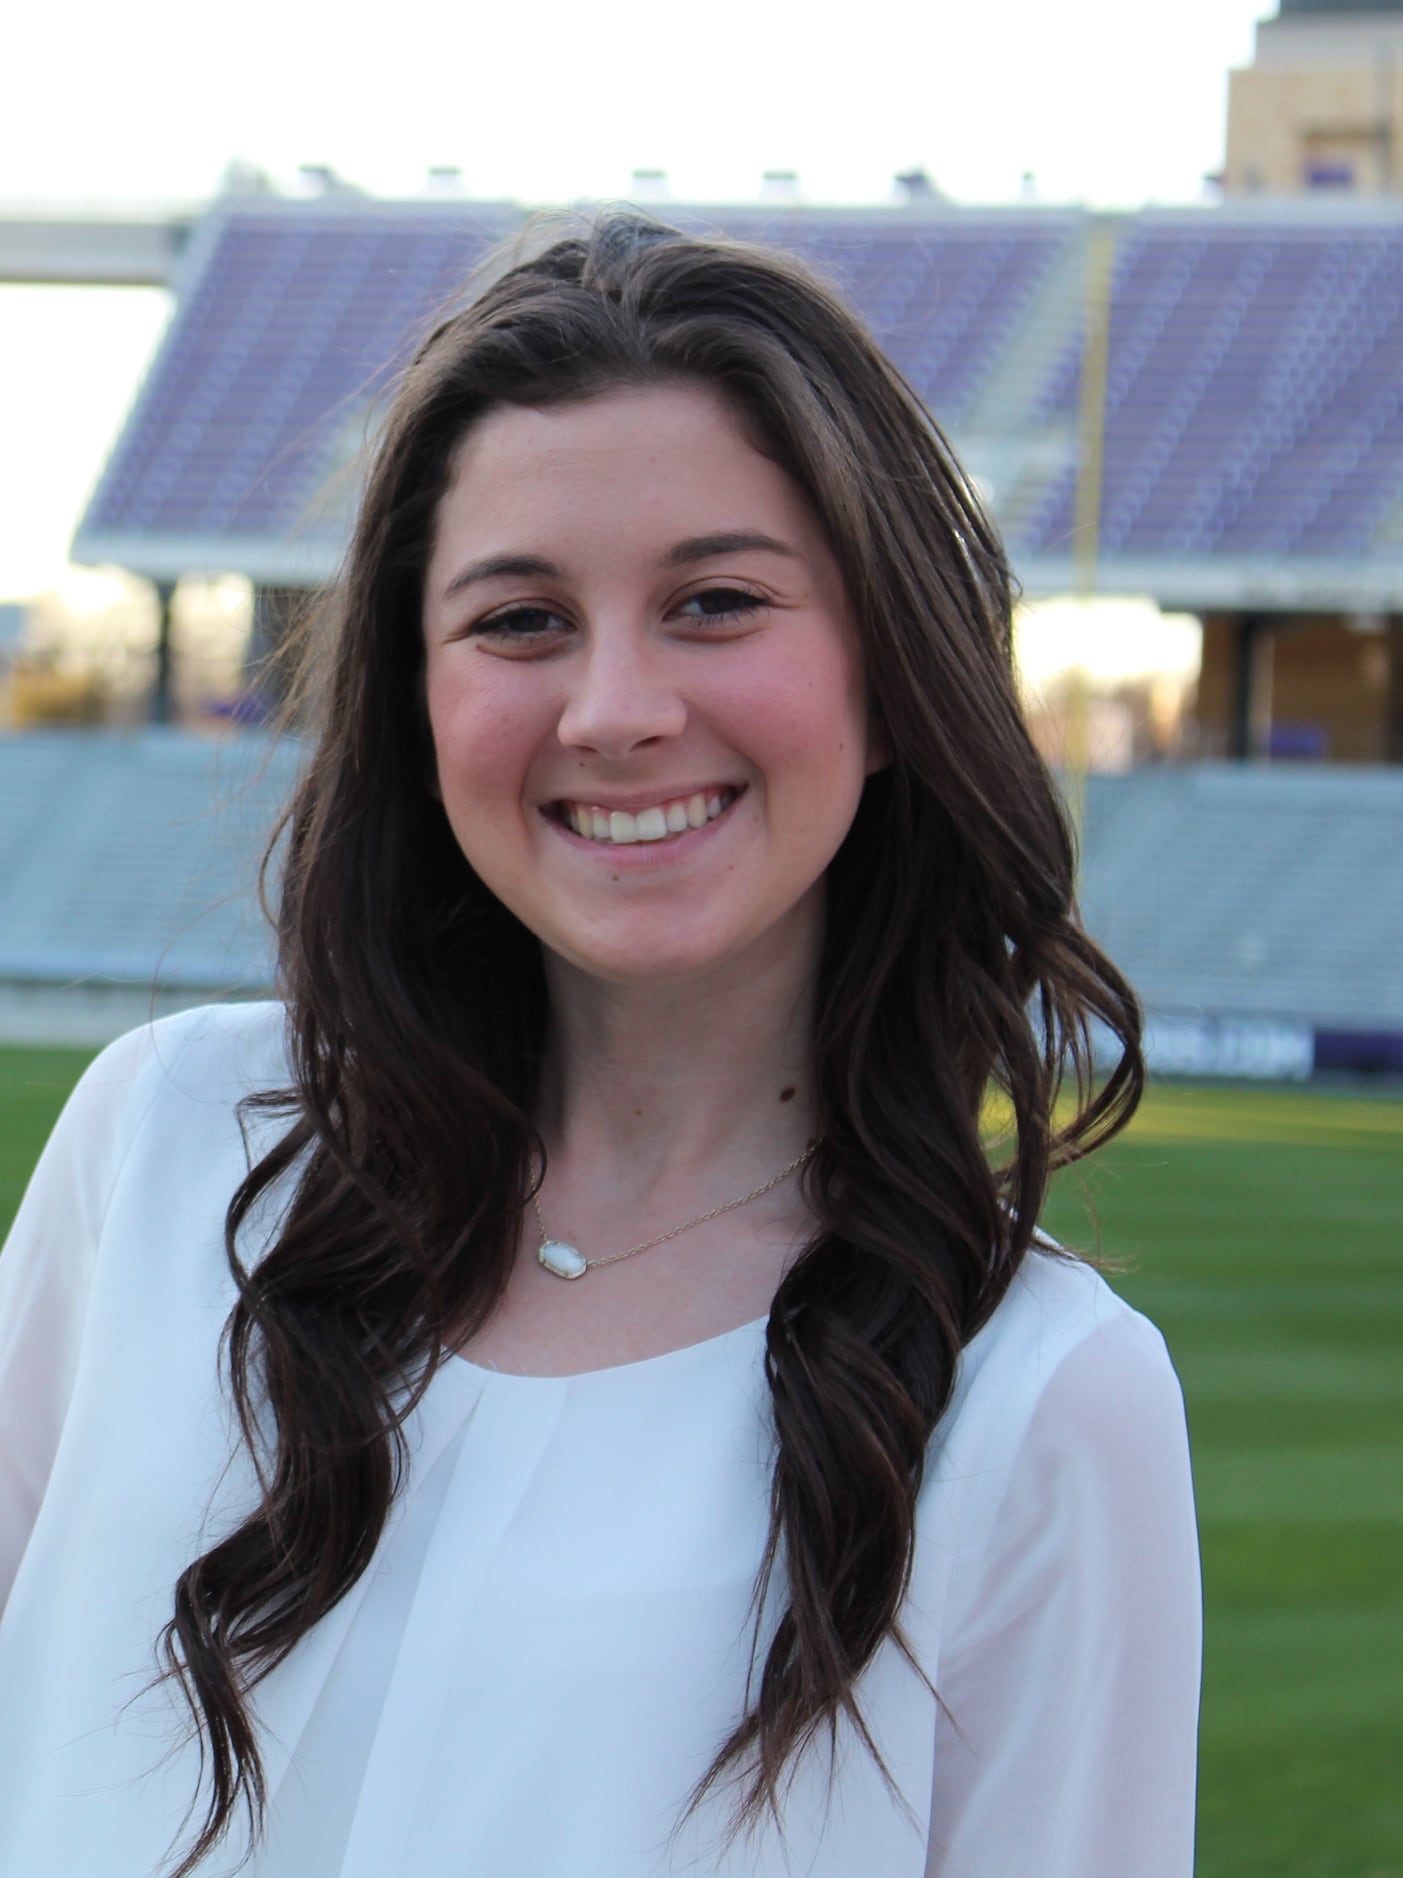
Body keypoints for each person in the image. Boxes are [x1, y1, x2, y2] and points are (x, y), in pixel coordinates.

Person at [0, 211, 1200, 1878]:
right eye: (520, 619)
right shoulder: (166, 1145)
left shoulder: (1040, 1398)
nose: (616, 707)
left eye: (716, 601)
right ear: (417, 699)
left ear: (886, 667)